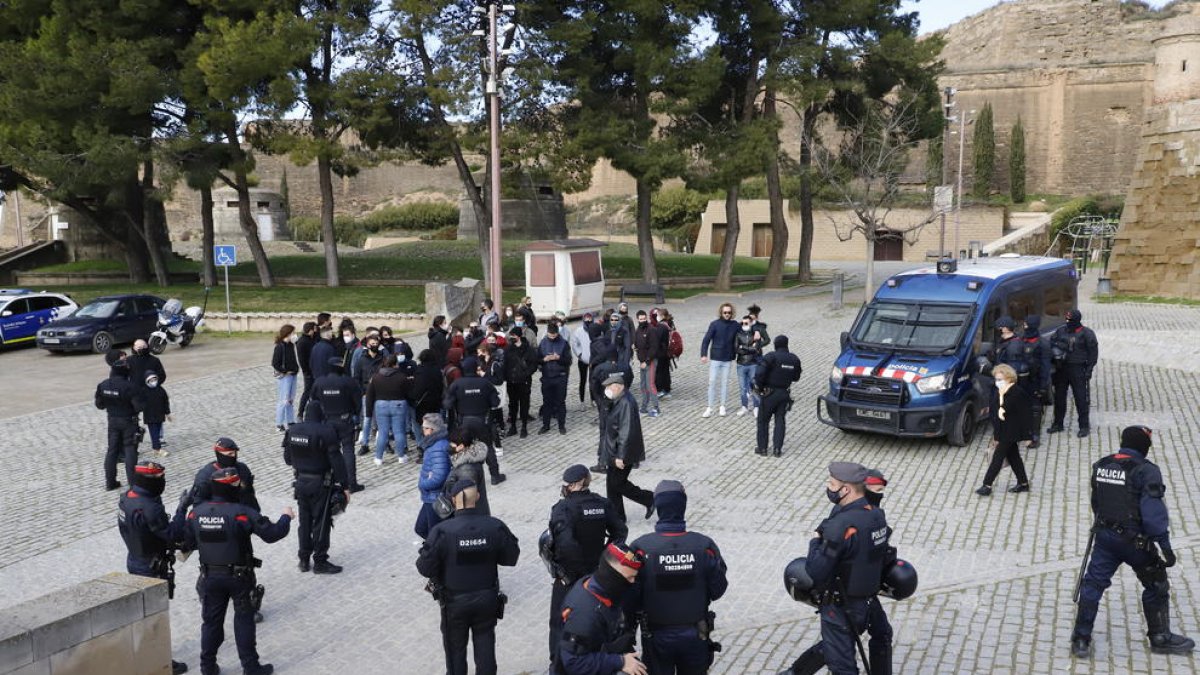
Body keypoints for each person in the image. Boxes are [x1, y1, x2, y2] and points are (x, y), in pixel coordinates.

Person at [1070, 425, 1194, 658]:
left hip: (1105, 539)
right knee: (1157, 584)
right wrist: (1165, 548)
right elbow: (1153, 514)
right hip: (1135, 544)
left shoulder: (1101, 465)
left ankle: (1081, 638)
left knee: (1093, 586)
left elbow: (1097, 503)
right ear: (1144, 447)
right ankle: (1160, 638)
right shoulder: (1147, 471)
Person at [184, 468, 293, 675]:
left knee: (210, 623)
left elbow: (187, 541)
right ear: (233, 488)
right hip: (239, 577)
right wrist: (286, 517)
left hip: (209, 576)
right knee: (243, 620)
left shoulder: (195, 513)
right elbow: (273, 533)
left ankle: (207, 667)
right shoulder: (242, 513)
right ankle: (250, 667)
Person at [788, 468, 895, 675]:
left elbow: (817, 571)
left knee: (843, 661)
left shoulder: (849, 522)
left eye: (831, 484)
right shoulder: (875, 515)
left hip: (843, 603)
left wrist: (814, 541)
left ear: (846, 489)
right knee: (843, 644)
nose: (828, 488)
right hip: (861, 596)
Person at [416, 480, 520, 675]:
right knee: (486, 646)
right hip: (487, 599)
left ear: (453, 500)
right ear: (478, 497)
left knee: (455, 653)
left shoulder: (442, 531)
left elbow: (424, 568)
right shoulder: (494, 526)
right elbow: (511, 558)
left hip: (454, 603)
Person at [629, 480, 728, 674]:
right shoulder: (704, 546)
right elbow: (718, 590)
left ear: (658, 507)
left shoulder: (641, 548)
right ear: (683, 506)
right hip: (695, 635)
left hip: (655, 636)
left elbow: (630, 596)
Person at [546, 464, 628, 663]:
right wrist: (603, 560)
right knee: (598, 618)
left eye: (567, 484)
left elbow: (566, 545)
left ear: (577, 483)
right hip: (596, 576)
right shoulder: (602, 504)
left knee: (559, 623)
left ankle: (557, 663)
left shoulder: (563, 508)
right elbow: (620, 532)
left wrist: (577, 572)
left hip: (570, 577)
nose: (564, 487)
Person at [117, 461, 189, 674]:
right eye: (159, 479)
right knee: (155, 618)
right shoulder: (150, 507)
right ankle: (161, 661)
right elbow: (172, 534)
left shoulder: (127, 498)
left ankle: (145, 655)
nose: (163, 482)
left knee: (144, 615)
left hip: (134, 559)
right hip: (151, 566)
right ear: (150, 481)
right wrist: (182, 507)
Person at [556, 543, 647, 675]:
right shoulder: (584, 614)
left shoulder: (596, 583)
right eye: (629, 578)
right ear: (612, 577)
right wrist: (620, 662)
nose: (632, 582)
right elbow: (573, 662)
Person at [283, 401, 350, 574]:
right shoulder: (325, 431)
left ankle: (304, 559)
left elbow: (288, 459)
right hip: (321, 483)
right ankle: (320, 561)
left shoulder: (292, 431)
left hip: (300, 483)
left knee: (304, 522)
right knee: (321, 522)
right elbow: (337, 460)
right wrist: (345, 485)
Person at [600, 373, 655, 521]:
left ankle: (649, 498)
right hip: (614, 451)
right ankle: (617, 517)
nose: (607, 390)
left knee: (617, 483)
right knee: (612, 485)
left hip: (621, 452)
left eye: (609, 387)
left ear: (618, 387)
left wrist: (620, 456)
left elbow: (626, 431)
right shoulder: (618, 400)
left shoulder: (626, 403)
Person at [444, 356, 505, 485]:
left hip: (463, 422)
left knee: (463, 448)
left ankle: (465, 477)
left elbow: (447, 404)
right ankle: (495, 475)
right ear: (476, 369)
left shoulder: (457, 384)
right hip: (481, 421)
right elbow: (496, 402)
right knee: (487, 447)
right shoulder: (485, 383)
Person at [992, 315, 1052, 449]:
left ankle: (1033, 436)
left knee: (1034, 408)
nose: (1024, 327)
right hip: (1019, 379)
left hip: (1033, 379)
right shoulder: (1020, 340)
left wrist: (1043, 386)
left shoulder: (1042, 344)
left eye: (1026, 325)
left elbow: (1045, 367)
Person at [975, 363, 1033, 496]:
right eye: (996, 379)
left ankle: (987, 485)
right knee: (1014, 457)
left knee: (998, 456)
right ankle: (1023, 483)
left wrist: (1028, 435)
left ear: (1009, 378)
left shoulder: (1017, 393)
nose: (997, 382)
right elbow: (995, 410)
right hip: (1003, 429)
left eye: (1000, 379)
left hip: (1012, 430)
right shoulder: (998, 392)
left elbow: (1026, 414)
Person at [311, 356, 366, 493]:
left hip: (327, 421)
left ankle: (331, 481)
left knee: (330, 451)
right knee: (348, 451)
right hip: (344, 420)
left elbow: (314, 401)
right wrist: (354, 414)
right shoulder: (348, 381)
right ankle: (351, 483)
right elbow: (358, 402)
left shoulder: (319, 382)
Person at [95, 354, 145, 490]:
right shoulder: (130, 386)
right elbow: (139, 407)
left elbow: (99, 405)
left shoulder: (103, 385)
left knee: (112, 450)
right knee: (130, 450)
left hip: (112, 420)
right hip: (129, 421)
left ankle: (110, 483)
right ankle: (133, 483)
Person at [1048, 309, 1099, 438]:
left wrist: (1089, 369)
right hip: (1061, 369)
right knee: (1059, 398)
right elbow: (1051, 344)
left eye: (1070, 320)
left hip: (1078, 369)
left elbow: (1093, 353)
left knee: (1081, 399)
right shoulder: (1060, 331)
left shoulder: (1087, 334)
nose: (1067, 322)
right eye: (1066, 319)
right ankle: (1058, 423)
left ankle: (1084, 426)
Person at [754, 335, 803, 457]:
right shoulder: (794, 359)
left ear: (775, 344)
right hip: (784, 394)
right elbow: (796, 377)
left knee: (763, 421)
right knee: (780, 421)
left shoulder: (771, 357)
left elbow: (759, 374)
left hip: (769, 393)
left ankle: (762, 448)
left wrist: (759, 388)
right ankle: (777, 449)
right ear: (787, 345)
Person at [589, 342, 634, 473]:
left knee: (605, 433)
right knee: (625, 430)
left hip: (607, 405)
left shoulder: (600, 368)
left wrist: (600, 401)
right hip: (622, 402)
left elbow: (594, 386)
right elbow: (629, 380)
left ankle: (602, 463)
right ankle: (631, 459)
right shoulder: (625, 366)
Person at [189, 437, 261, 511]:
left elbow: (249, 492)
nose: (233, 456)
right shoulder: (205, 476)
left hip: (245, 514)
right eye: (230, 454)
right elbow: (199, 504)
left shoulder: (242, 468)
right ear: (219, 454)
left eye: (234, 453)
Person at [365, 353, 411, 465]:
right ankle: (401, 456)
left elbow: (370, 395)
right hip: (398, 405)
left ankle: (378, 458)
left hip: (381, 405)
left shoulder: (376, 377)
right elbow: (409, 393)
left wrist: (368, 412)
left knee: (382, 432)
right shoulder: (401, 377)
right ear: (395, 364)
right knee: (399, 431)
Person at [416, 413, 452, 538]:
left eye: (425, 428)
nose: (422, 430)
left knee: (433, 535)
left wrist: (422, 484)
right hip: (430, 497)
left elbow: (439, 476)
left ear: (432, 430)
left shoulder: (438, 447)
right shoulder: (433, 444)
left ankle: (436, 554)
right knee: (421, 528)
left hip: (435, 498)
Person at [700, 303, 739, 418]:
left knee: (725, 383)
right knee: (712, 382)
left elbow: (745, 334)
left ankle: (722, 406)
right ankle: (710, 407)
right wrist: (703, 354)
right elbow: (706, 340)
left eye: (729, 312)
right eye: (725, 312)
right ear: (721, 313)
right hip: (716, 358)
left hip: (728, 358)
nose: (727, 314)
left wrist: (756, 331)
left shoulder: (735, 325)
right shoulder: (714, 324)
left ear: (732, 313)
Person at [353, 333, 388, 455]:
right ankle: (365, 444)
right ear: (367, 345)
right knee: (367, 420)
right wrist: (362, 392)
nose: (374, 346)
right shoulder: (361, 360)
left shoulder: (383, 359)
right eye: (372, 344)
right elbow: (356, 378)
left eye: (376, 344)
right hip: (366, 393)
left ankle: (385, 443)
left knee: (381, 419)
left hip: (380, 393)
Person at [444, 428, 490, 515]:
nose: (449, 445)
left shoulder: (466, 469)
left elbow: (465, 498)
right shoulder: (469, 459)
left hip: (471, 516)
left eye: (452, 444)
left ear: (461, 447)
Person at [538, 322, 573, 434]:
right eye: (550, 335)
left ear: (558, 333)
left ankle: (561, 426)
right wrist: (544, 360)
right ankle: (546, 425)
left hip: (560, 377)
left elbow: (569, 361)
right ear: (547, 333)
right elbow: (537, 360)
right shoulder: (543, 343)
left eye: (554, 335)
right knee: (547, 402)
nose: (552, 337)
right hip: (547, 377)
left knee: (560, 402)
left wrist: (558, 358)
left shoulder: (564, 343)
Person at [503, 329, 538, 438]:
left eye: (513, 335)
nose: (511, 337)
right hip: (512, 382)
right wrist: (507, 376)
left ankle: (524, 427)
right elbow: (505, 364)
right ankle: (513, 426)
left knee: (524, 404)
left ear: (518, 336)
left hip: (524, 382)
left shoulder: (529, 349)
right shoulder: (508, 349)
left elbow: (534, 364)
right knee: (512, 405)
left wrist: (526, 374)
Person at [633, 309, 666, 418]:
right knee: (643, 385)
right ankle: (644, 407)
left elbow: (654, 347)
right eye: (640, 319)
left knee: (650, 385)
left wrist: (646, 361)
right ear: (637, 319)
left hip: (650, 361)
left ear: (646, 318)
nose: (642, 320)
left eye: (644, 318)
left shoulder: (651, 330)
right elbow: (637, 345)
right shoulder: (637, 330)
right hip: (642, 362)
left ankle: (656, 408)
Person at [734, 314, 768, 417]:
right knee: (742, 388)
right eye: (742, 323)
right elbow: (736, 349)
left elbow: (756, 349)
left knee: (755, 386)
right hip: (741, 364)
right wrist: (749, 348)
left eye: (746, 323)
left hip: (753, 364)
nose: (744, 325)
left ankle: (756, 407)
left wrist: (743, 347)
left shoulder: (756, 334)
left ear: (750, 324)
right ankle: (744, 407)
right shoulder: (738, 334)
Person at [271, 324, 301, 432]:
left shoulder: (291, 345)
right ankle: (279, 423)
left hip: (293, 375)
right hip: (286, 376)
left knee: (290, 400)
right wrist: (285, 371)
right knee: (283, 400)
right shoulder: (280, 347)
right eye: (293, 333)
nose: (294, 335)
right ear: (287, 334)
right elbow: (275, 363)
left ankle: (290, 420)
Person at [569, 313, 596, 409]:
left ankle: (593, 400)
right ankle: (582, 401)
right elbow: (575, 344)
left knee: (592, 381)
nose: (588, 320)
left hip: (593, 360)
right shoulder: (578, 331)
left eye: (590, 318)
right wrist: (580, 354)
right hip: (582, 360)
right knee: (583, 380)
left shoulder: (595, 329)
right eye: (586, 318)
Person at [142, 372, 172, 458]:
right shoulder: (143, 391)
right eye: (151, 380)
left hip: (159, 415)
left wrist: (167, 413)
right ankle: (157, 448)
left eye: (154, 379)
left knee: (158, 431)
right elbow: (140, 403)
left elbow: (165, 402)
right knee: (154, 432)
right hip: (150, 416)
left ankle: (156, 448)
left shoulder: (160, 389)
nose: (153, 381)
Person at [296, 322, 319, 418]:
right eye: (314, 329)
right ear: (310, 330)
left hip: (314, 369)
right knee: (307, 391)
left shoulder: (311, 339)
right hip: (309, 372)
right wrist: (307, 372)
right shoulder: (302, 342)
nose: (315, 331)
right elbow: (302, 360)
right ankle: (300, 412)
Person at [654, 308, 676, 398]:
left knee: (659, 372)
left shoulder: (661, 326)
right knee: (666, 371)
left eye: (658, 315)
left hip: (661, 352)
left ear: (662, 316)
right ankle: (667, 390)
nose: (656, 317)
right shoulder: (669, 324)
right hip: (667, 352)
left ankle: (660, 390)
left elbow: (657, 340)